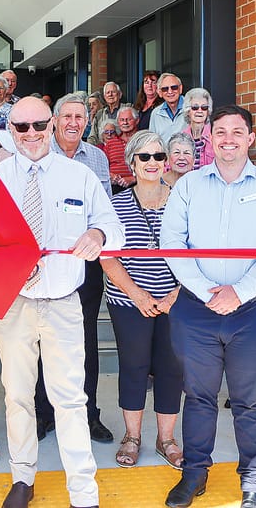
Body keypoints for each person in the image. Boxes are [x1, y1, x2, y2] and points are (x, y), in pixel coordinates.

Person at [0, 97, 124, 508]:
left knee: (70, 398)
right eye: (21, 127)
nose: (31, 134)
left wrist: (98, 236)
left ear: (51, 126)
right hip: (14, 304)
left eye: (38, 125)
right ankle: (22, 478)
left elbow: (111, 225)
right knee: (17, 395)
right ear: (11, 130)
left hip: (64, 302)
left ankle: (83, 490)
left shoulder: (79, 176)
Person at [160, 104, 256, 508]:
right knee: (198, 396)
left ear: (250, 139)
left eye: (238, 132)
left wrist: (239, 291)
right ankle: (195, 473)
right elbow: (173, 244)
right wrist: (207, 291)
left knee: (249, 400)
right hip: (196, 310)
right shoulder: (188, 186)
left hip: (252, 311)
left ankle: (253, 480)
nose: (229, 139)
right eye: (220, 132)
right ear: (209, 137)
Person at [101, 130, 183, 469]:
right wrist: (137, 294)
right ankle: (132, 436)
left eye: (158, 156)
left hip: (175, 300)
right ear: (132, 163)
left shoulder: (183, 200)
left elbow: (196, 253)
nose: (153, 163)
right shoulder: (116, 203)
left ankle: (166, 439)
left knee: (171, 370)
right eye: (145, 157)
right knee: (133, 368)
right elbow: (107, 257)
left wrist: (175, 295)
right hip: (128, 301)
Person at [41, 93, 114, 443]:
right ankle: (44, 413)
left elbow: (106, 212)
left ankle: (90, 414)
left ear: (87, 122)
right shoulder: (41, 154)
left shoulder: (97, 158)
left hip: (87, 264)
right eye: (66, 116)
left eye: (79, 117)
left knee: (85, 339)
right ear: (54, 120)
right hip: (46, 264)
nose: (73, 122)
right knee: (43, 338)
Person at [180, 88, 214, 170]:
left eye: (204, 107)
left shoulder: (215, 136)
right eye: (195, 107)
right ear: (188, 111)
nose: (200, 111)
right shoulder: (181, 138)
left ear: (208, 111)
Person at [99, 118, 134, 193]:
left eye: (112, 132)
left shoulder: (130, 143)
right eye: (106, 132)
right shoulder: (100, 148)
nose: (109, 134)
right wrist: (110, 175)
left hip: (133, 183)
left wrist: (133, 178)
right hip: (113, 184)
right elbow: (100, 168)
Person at [149, 73, 185, 143]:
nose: (170, 91)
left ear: (180, 89)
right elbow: (152, 141)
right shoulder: (155, 113)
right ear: (159, 92)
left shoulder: (192, 108)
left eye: (174, 87)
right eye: (165, 89)